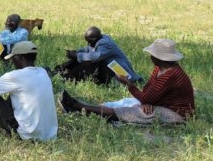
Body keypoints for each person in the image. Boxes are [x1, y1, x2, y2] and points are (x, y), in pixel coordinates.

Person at [60, 38, 194, 125]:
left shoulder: (170, 75)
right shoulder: (161, 68)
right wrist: (146, 101)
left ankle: (77, 106)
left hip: (176, 114)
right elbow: (148, 90)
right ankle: (82, 107)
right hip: (161, 104)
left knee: (129, 112)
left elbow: (147, 96)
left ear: (159, 57)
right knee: (127, 103)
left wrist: (129, 85)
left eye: (153, 55)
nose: (151, 57)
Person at [55, 26, 141, 85]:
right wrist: (77, 52)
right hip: (109, 69)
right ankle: (61, 70)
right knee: (83, 57)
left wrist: (77, 55)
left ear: (95, 39)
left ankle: (68, 77)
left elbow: (95, 56)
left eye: (90, 41)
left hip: (121, 75)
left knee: (89, 61)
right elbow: (89, 49)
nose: (89, 43)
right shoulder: (98, 40)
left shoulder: (105, 43)